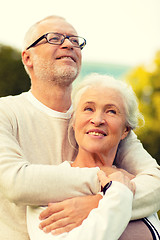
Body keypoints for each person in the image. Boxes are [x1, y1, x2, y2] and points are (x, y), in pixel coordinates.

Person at [0, 15, 159, 240]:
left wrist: (96, 204)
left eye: (75, 41)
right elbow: (15, 183)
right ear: (27, 58)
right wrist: (105, 180)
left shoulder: (101, 122)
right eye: (54, 38)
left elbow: (155, 184)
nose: (68, 44)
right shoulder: (5, 112)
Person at [27, 74, 160, 240]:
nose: (97, 120)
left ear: (125, 130)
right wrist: (119, 193)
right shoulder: (48, 189)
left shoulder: (136, 183)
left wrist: (99, 201)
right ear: (74, 122)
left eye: (111, 111)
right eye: (88, 109)